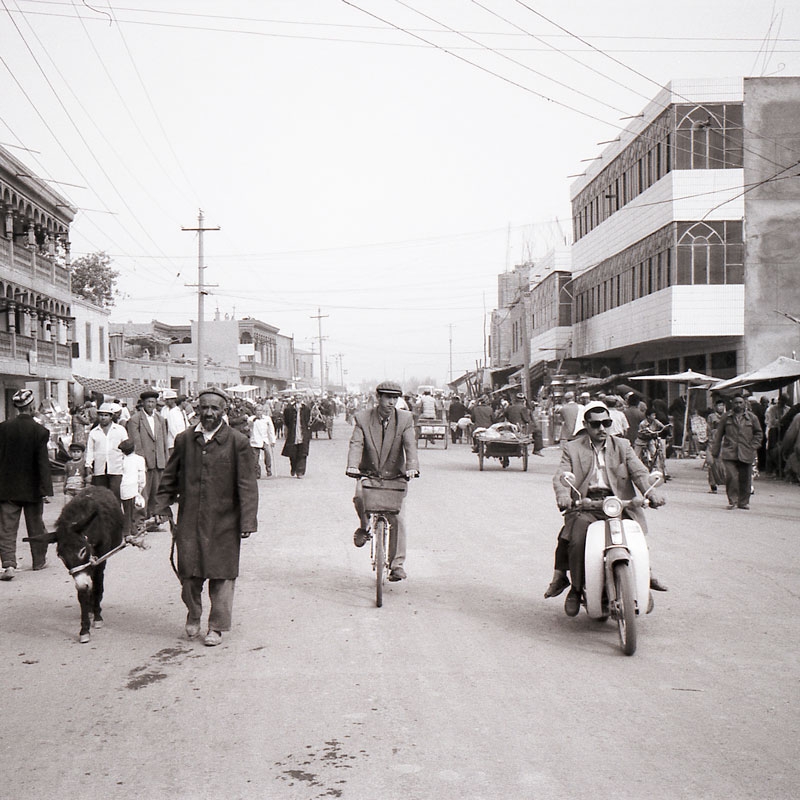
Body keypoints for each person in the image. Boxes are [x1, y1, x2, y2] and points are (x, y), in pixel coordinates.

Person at [154, 388, 258, 647]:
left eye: (215, 408)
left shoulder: (237, 442)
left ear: (224, 412)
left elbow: (247, 485)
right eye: (204, 408)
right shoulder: (184, 440)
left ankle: (216, 627)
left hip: (225, 521)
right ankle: (194, 612)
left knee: (222, 575)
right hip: (189, 518)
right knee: (188, 573)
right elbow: (169, 477)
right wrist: (160, 506)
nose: (209, 413)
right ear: (197, 409)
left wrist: (247, 521)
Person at [549, 401, 666, 615]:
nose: (602, 428)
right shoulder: (572, 447)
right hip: (587, 505)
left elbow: (639, 472)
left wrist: (651, 492)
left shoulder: (622, 445)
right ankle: (575, 588)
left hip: (619, 504)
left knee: (635, 535)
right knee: (576, 540)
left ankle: (643, 577)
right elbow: (561, 475)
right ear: (586, 425)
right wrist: (565, 495)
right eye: (596, 424)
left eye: (606, 423)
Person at [346, 381, 419, 582]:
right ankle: (364, 525)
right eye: (388, 397)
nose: (391, 402)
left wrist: (412, 466)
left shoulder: (405, 419)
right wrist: (353, 465)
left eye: (395, 398)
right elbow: (356, 443)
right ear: (378, 398)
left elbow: (410, 445)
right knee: (359, 496)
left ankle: (397, 565)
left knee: (399, 519)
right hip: (369, 472)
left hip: (395, 475)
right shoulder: (362, 418)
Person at [0, 389, 54, 579]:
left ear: (16, 407)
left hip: (7, 488)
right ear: (31, 406)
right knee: (36, 526)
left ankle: (8, 565)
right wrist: (46, 490)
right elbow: (42, 463)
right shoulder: (40, 431)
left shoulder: (3, 428)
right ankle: (38, 562)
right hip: (32, 489)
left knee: (6, 528)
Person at [711, 393, 763, 510]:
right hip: (730, 452)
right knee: (731, 477)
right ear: (732, 403)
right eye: (736, 403)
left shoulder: (752, 418)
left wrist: (753, 446)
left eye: (740, 402)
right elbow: (719, 435)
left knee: (745, 479)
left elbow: (758, 433)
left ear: (744, 403)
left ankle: (743, 502)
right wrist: (715, 452)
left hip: (746, 452)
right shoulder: (726, 417)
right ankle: (732, 501)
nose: (738, 405)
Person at [127, 389, 169, 522]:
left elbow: (164, 441)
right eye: (148, 402)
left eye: (153, 402)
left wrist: (166, 460)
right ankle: (140, 521)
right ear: (143, 403)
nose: (150, 405)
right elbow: (136, 442)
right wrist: (141, 462)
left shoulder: (160, 419)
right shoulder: (135, 419)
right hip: (144, 462)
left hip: (159, 461)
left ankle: (154, 520)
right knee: (143, 493)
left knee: (157, 492)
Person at [85, 402, 128, 502]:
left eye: (106, 415)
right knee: (100, 497)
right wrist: (88, 465)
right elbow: (90, 450)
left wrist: (126, 465)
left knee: (115, 496)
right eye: (101, 415)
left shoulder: (120, 430)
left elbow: (126, 448)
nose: (103, 418)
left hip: (117, 468)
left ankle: (115, 517)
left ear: (111, 417)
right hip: (100, 469)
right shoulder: (94, 432)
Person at [119, 439, 146, 543]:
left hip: (124, 487)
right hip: (134, 486)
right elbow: (141, 475)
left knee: (127, 510)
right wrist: (141, 487)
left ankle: (130, 530)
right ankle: (129, 532)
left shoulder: (123, 461)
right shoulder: (139, 459)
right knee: (134, 510)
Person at [282, 396, 311, 478]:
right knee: (293, 453)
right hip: (293, 433)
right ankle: (293, 467)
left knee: (302, 453)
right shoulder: (289, 409)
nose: (298, 399)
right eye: (296, 398)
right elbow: (287, 421)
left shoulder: (306, 409)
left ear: (302, 399)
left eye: (299, 398)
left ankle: (300, 471)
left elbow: (307, 420)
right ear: (294, 399)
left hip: (303, 433)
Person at [249, 407, 276, 478]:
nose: (259, 412)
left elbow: (271, 430)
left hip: (264, 439)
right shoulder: (251, 418)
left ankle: (269, 469)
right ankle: (257, 472)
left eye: (260, 410)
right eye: (257, 410)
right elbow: (250, 424)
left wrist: (273, 440)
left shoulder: (267, 419)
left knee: (267, 454)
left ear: (263, 411)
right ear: (255, 411)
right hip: (255, 440)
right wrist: (255, 419)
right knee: (255, 458)